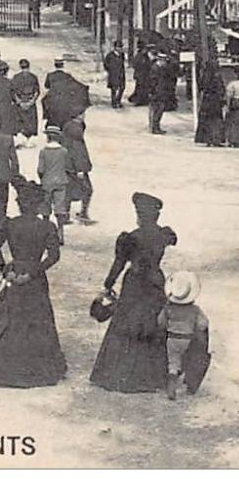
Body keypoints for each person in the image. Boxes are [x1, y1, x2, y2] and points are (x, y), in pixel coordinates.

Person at [0, 180, 66, 388]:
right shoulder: (47, 226)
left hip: (14, 273)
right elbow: (54, 256)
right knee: (38, 320)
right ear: (38, 205)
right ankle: (38, 369)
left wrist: (5, 269)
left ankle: (7, 368)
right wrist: (34, 271)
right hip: (35, 278)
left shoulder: (10, 224)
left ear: (20, 203)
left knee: (11, 319)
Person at [89, 192, 178, 393]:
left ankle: (121, 373)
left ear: (139, 215)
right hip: (155, 281)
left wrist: (107, 284)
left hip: (135, 282)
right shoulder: (163, 235)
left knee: (126, 321)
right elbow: (173, 240)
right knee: (152, 321)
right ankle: (152, 375)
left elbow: (119, 263)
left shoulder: (130, 238)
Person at [159, 270, 211, 400]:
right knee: (188, 359)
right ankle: (189, 384)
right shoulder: (195, 310)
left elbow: (160, 322)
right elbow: (203, 324)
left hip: (172, 338)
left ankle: (172, 384)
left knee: (173, 362)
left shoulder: (168, 308)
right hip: (187, 338)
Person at [35, 125, 72, 243]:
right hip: (61, 181)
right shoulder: (64, 151)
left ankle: (46, 233)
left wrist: (42, 178)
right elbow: (68, 167)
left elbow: (40, 169)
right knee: (60, 208)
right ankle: (60, 233)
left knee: (46, 208)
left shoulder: (43, 152)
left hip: (47, 182)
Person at [61, 115, 95, 226]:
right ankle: (83, 213)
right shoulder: (76, 132)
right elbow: (79, 153)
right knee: (87, 189)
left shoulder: (68, 128)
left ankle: (65, 214)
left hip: (67, 166)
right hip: (76, 169)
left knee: (68, 190)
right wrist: (81, 169)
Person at [148, 52, 179, 136]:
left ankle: (156, 126)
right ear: (160, 60)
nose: (165, 63)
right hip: (157, 93)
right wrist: (151, 92)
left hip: (162, 92)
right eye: (164, 61)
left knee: (160, 109)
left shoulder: (162, 68)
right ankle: (155, 127)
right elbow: (152, 82)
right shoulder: (155, 68)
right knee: (157, 109)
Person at [196, 59, 225, 146]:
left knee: (206, 120)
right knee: (216, 121)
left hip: (206, 100)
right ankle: (216, 139)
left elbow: (201, 86)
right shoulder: (217, 76)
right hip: (215, 101)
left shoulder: (205, 76)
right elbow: (221, 89)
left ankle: (207, 139)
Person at [8, 59, 41, 137]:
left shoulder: (16, 77)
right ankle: (28, 140)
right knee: (30, 123)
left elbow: (12, 92)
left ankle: (21, 139)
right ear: (29, 66)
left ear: (20, 67)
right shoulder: (33, 77)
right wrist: (31, 102)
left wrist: (19, 102)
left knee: (20, 123)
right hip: (30, 101)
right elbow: (37, 92)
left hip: (20, 102)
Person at [103, 41, 127, 109]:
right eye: (118, 47)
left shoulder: (122, 55)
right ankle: (114, 102)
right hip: (113, 74)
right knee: (114, 89)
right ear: (115, 48)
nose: (120, 49)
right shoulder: (110, 55)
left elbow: (122, 63)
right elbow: (105, 64)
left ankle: (118, 101)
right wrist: (110, 70)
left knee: (122, 87)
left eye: (121, 47)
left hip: (121, 73)